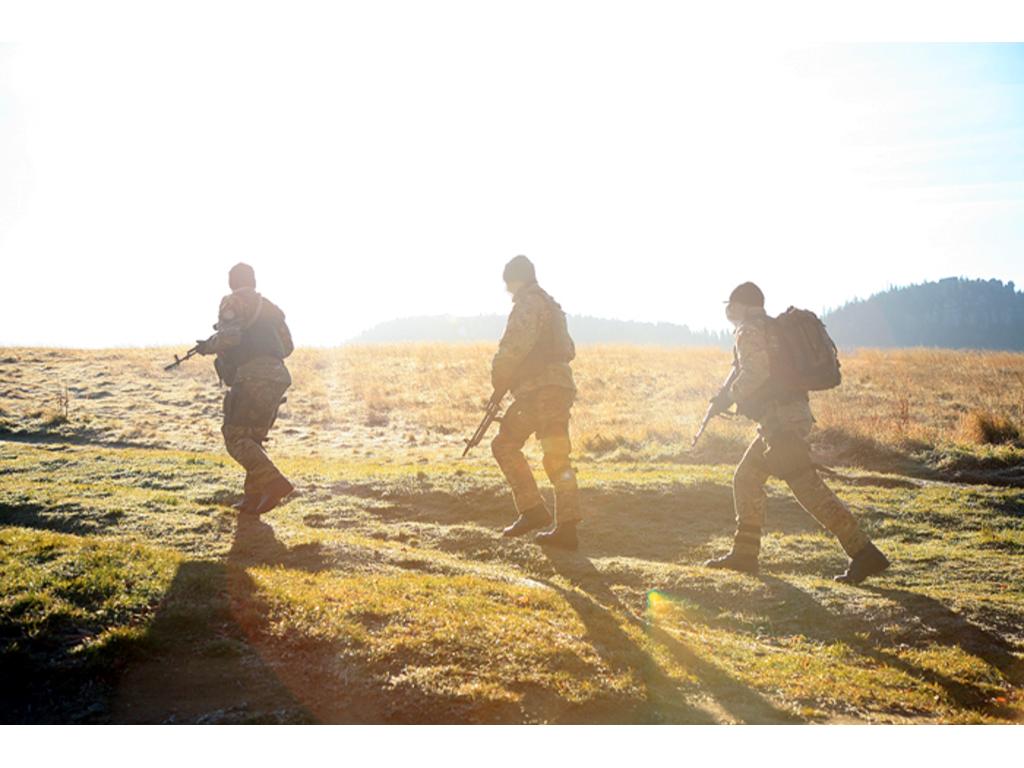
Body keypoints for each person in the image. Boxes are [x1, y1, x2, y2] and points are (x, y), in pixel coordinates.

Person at [704, 281, 890, 584]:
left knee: (806, 489)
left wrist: (728, 397)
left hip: (781, 422)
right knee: (750, 478)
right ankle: (745, 554)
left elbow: (756, 372)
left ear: (740, 305)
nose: (728, 311)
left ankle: (864, 553)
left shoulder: (749, 330)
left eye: (731, 305)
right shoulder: (771, 327)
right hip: (786, 419)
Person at [490, 255, 582, 550]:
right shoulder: (552, 305)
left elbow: (513, 348)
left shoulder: (528, 304)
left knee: (504, 444)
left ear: (517, 279)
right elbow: (568, 348)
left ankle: (532, 510)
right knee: (557, 456)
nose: (508, 291)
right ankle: (567, 528)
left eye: (508, 284)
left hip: (538, 390)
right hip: (559, 388)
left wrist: (499, 379)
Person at [197, 263, 295, 516]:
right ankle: (252, 498)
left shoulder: (232, 301)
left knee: (235, 437)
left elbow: (230, 338)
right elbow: (288, 347)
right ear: (254, 280)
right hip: (278, 376)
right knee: (253, 438)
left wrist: (208, 346)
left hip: (251, 376)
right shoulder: (271, 308)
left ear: (232, 281)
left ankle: (274, 484)